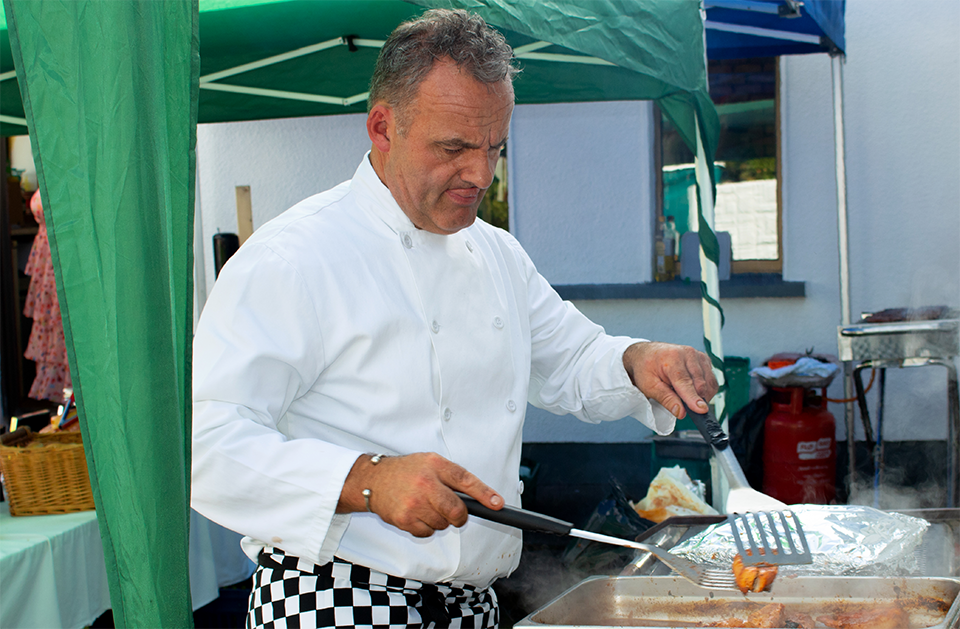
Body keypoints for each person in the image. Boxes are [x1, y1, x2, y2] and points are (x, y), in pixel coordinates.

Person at [191, 9, 718, 629]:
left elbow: (573, 359)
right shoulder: (292, 257)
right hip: (331, 598)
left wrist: (638, 361)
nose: (480, 173)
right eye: (454, 147)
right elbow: (205, 443)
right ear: (383, 128)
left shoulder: (496, 253)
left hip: (472, 601)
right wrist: (367, 481)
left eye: (494, 147)